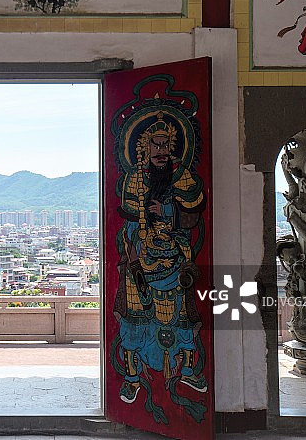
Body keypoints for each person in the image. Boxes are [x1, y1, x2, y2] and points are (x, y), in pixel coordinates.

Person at [113, 113, 207, 404]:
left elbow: (193, 212)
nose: (161, 151)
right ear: (143, 147)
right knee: (134, 316)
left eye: (166, 145)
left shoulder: (182, 175)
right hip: (141, 253)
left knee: (181, 315)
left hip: (173, 251)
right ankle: (132, 377)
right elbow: (126, 211)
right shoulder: (134, 178)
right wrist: (142, 215)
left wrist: (166, 212)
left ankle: (188, 370)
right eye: (155, 145)